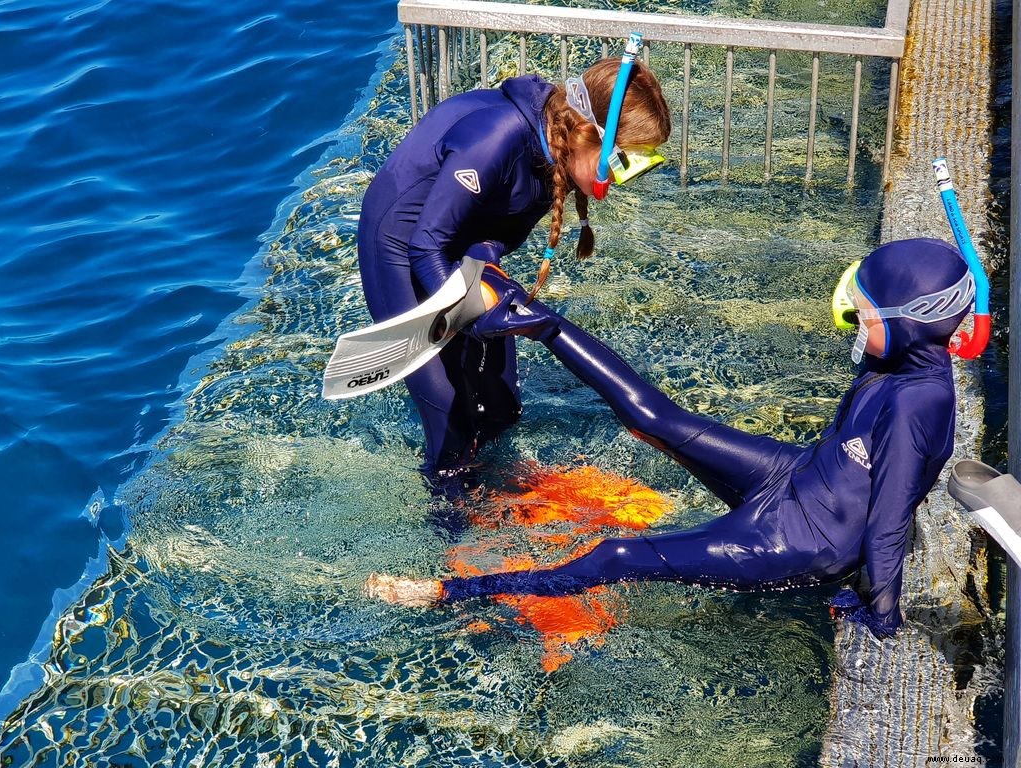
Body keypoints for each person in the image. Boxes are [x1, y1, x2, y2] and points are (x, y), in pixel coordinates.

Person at [365, 238, 978, 639]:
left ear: (910, 328)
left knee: (618, 556)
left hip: (799, 538)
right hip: (796, 477)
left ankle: (452, 591)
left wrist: (881, 607)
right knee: (655, 419)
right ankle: (537, 320)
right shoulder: (902, 362)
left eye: (867, 316)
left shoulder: (917, 404)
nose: (852, 321)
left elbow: (893, 513)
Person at [356, 43, 671, 480]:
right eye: (623, 161)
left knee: (501, 409)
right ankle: (452, 539)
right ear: (587, 133)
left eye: (642, 164)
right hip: (400, 248)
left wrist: (485, 289)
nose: (623, 178)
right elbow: (426, 244)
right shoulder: (497, 139)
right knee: (452, 425)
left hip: (458, 247)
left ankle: (503, 503)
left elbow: (487, 233)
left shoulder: (555, 153)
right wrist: (465, 314)